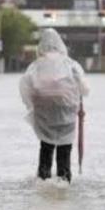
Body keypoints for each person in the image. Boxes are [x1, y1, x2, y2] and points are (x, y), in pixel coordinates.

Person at [19, 28, 89, 183]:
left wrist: (32, 105)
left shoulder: (37, 65)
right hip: (66, 113)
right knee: (64, 148)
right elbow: (84, 87)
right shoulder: (70, 63)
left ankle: (43, 178)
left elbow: (25, 86)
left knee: (46, 146)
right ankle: (64, 180)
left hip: (44, 114)